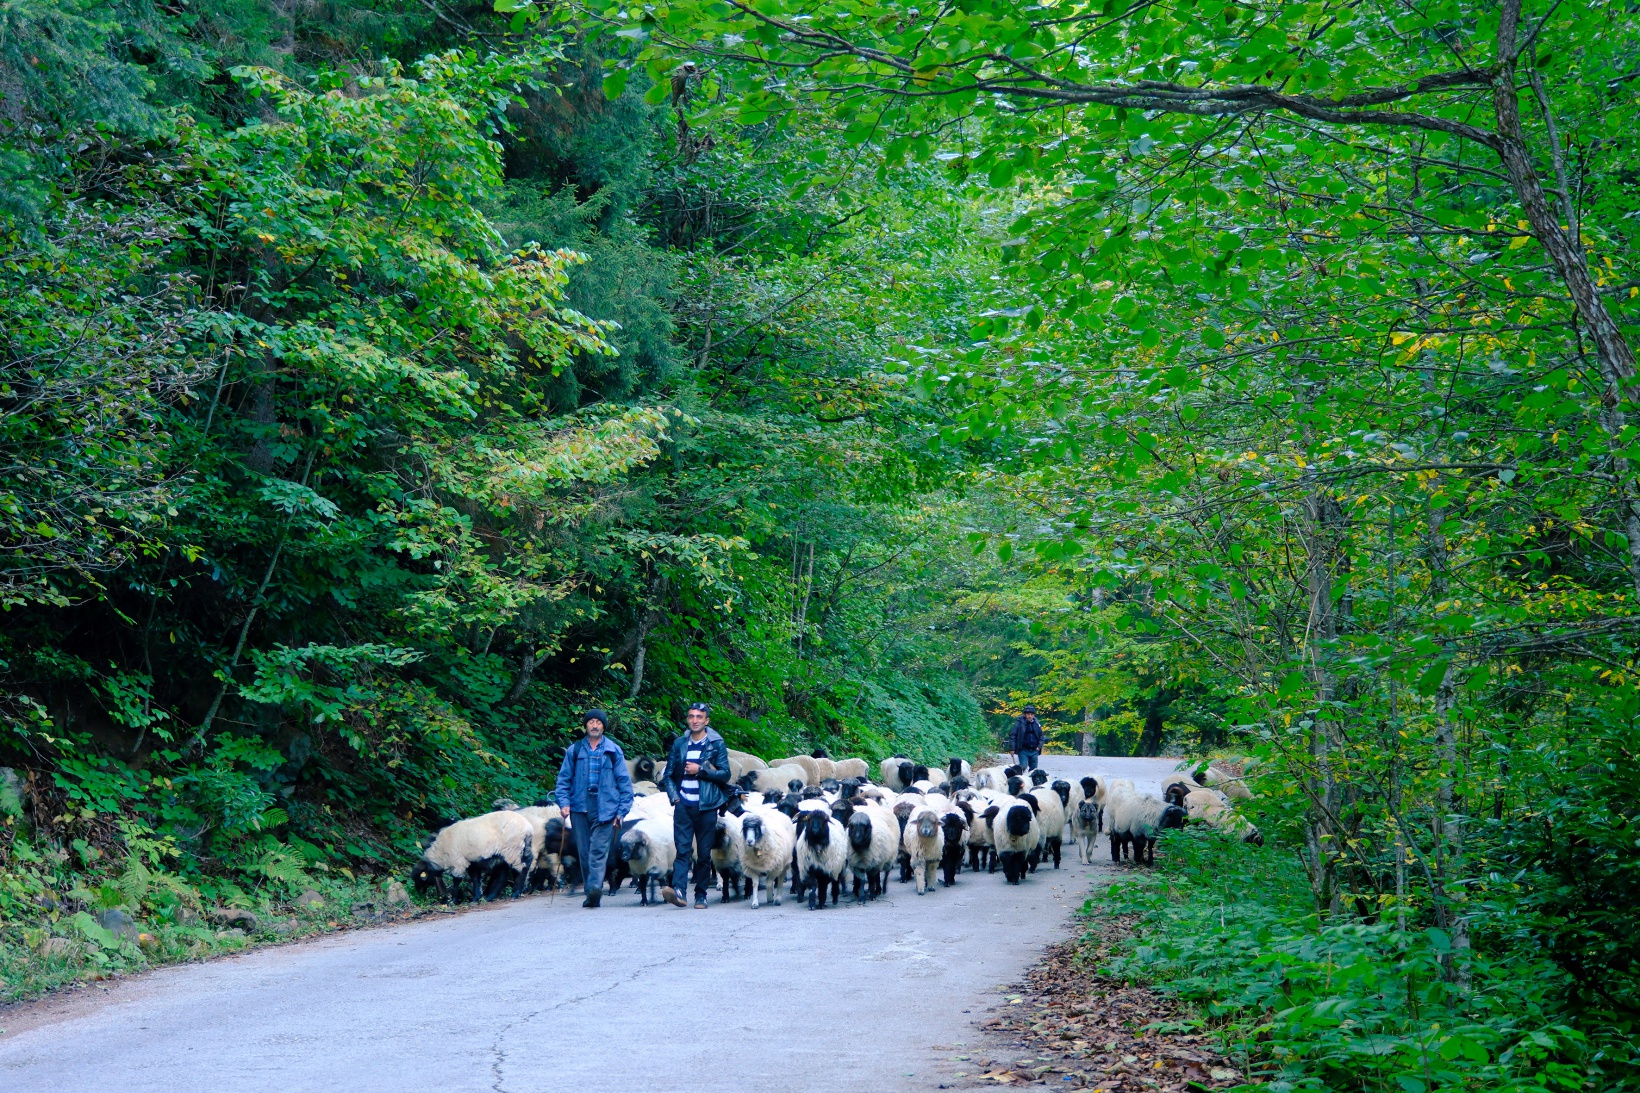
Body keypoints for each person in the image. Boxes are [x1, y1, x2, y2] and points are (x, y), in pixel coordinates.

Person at [554, 709, 634, 908]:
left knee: (598, 850)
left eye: (599, 722)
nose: (595, 725)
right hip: (580, 805)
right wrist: (564, 803)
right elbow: (564, 780)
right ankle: (592, 886)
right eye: (591, 722)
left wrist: (622, 811)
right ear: (586, 725)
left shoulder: (613, 750)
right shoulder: (575, 750)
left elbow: (624, 783)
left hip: (606, 806)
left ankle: (594, 889)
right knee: (584, 851)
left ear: (604, 726)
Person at [660, 702, 732, 909]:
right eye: (691, 716)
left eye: (699, 717)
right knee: (682, 851)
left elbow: (725, 774)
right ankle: (679, 892)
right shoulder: (680, 744)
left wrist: (700, 770)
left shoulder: (716, 744)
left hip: (707, 806)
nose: (695, 720)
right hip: (683, 805)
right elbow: (669, 775)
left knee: (703, 853)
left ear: (706, 720)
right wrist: (675, 798)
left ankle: (701, 895)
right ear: (687, 719)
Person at [1010, 705, 1044, 772]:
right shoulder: (1019, 723)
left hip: (1034, 750)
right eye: (1028, 714)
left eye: (1031, 714)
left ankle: (1031, 781)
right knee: (1023, 766)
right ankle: (1020, 780)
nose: (1030, 716)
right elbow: (1013, 735)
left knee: (1033, 769)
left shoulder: (1037, 723)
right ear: (1025, 714)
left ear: (1034, 715)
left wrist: (1039, 746)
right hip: (1023, 749)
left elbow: (1041, 736)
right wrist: (1012, 748)